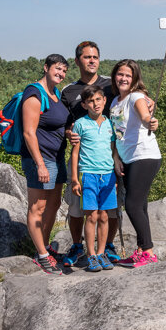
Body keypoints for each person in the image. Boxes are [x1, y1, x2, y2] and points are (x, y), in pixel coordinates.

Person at [59, 41, 122, 266]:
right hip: (83, 159)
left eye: (95, 57)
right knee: (78, 207)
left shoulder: (110, 84)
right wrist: (68, 133)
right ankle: (78, 246)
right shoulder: (69, 91)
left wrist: (148, 102)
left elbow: (131, 95)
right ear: (77, 61)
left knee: (109, 209)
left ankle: (107, 247)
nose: (92, 61)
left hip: (108, 158)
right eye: (87, 57)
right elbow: (62, 121)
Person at [20, 54, 70, 274]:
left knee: (54, 204)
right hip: (40, 159)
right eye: (57, 69)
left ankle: (46, 247)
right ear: (46, 67)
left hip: (57, 158)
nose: (60, 73)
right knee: (38, 207)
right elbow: (29, 133)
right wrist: (39, 164)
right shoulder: (34, 93)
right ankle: (41, 255)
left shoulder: (55, 93)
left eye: (64, 71)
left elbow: (56, 124)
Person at [109, 59, 161, 268]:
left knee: (131, 204)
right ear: (115, 76)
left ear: (134, 79)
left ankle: (147, 251)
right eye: (120, 74)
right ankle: (141, 250)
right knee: (141, 205)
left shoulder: (136, 97)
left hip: (144, 156)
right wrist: (116, 158)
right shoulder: (114, 102)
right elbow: (117, 133)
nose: (123, 78)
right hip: (127, 158)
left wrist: (150, 121)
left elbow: (145, 115)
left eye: (128, 76)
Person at [69, 84, 118, 272]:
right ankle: (90, 255)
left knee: (104, 216)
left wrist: (116, 170)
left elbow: (113, 150)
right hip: (88, 174)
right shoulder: (81, 124)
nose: (95, 104)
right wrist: (74, 179)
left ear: (104, 101)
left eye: (99, 99)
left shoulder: (109, 124)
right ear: (84, 105)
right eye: (91, 101)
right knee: (91, 216)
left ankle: (101, 252)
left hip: (107, 175)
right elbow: (75, 153)